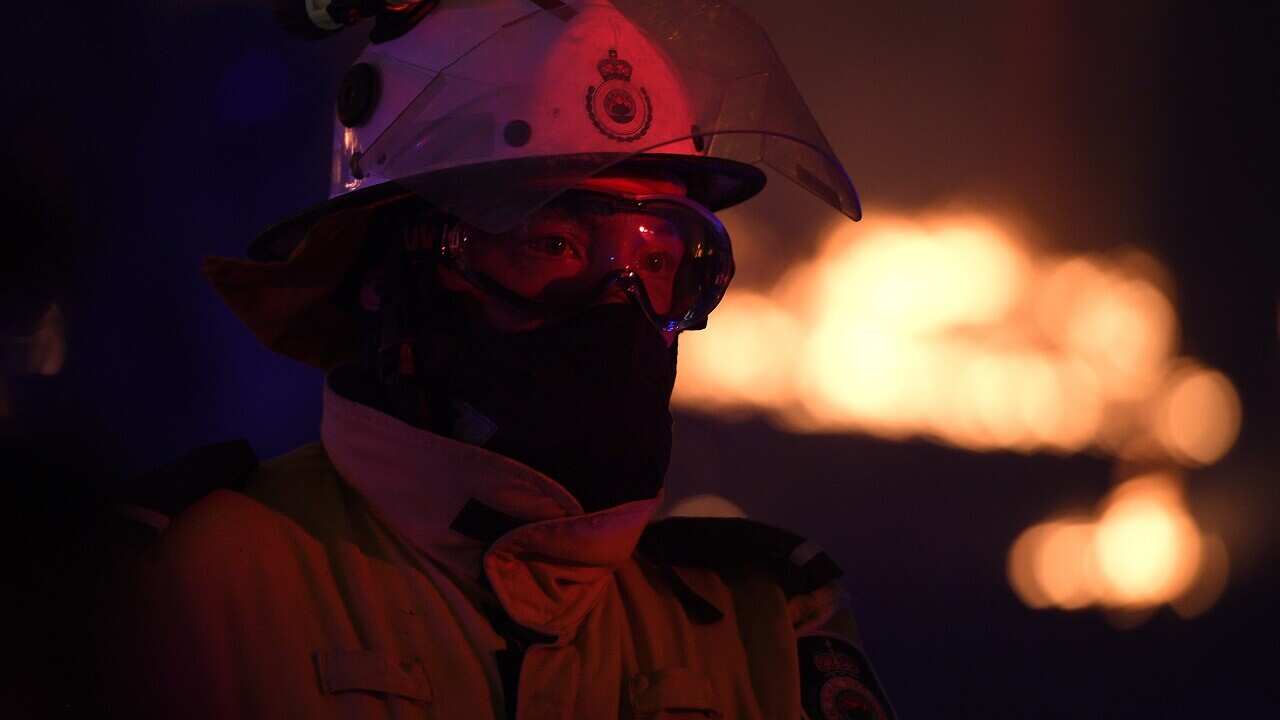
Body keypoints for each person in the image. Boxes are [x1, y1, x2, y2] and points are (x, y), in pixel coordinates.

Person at [108, 2, 895, 718]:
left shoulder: (761, 630)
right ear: (392, 277)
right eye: (552, 245)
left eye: (661, 262)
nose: (617, 307)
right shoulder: (191, 587)